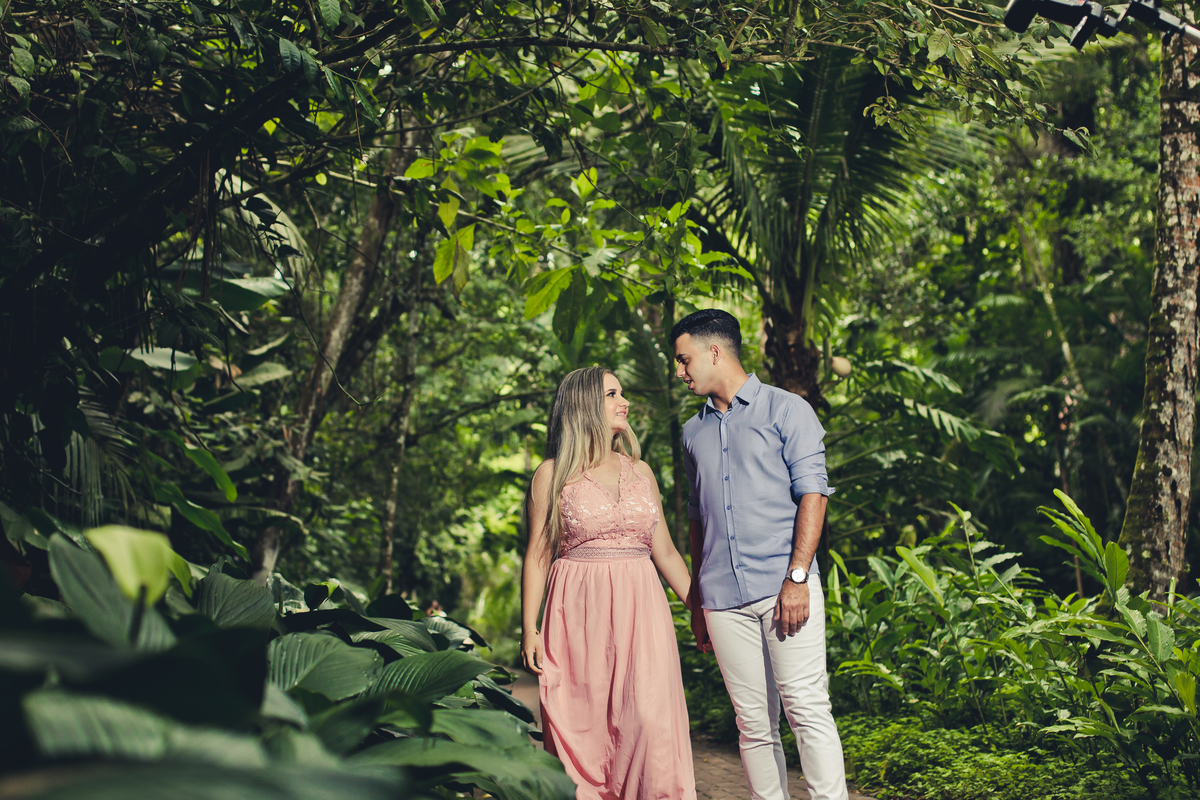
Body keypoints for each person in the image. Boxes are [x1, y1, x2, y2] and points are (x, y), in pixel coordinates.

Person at [672, 309, 848, 800]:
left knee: (806, 707)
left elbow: (813, 494)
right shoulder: (692, 433)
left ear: (715, 352)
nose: (680, 372)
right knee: (752, 724)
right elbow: (696, 518)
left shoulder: (788, 410)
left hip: (783, 587)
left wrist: (796, 577)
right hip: (722, 599)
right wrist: (697, 605)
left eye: (684, 360)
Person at [521, 366, 697, 800]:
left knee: (650, 724)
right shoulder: (552, 473)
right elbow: (539, 555)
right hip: (577, 616)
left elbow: (668, 554)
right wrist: (530, 628)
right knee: (584, 730)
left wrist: (702, 610)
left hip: (643, 613)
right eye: (612, 394)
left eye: (623, 392)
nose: (625, 402)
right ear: (584, 405)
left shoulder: (642, 472)